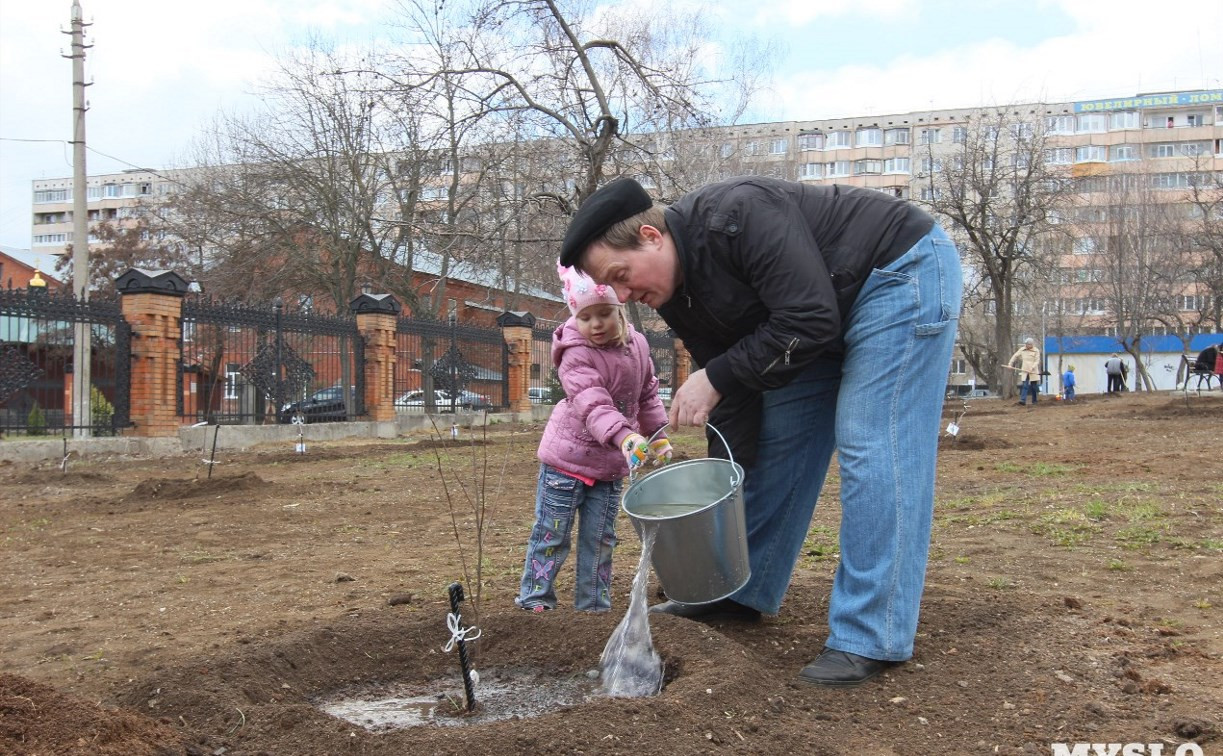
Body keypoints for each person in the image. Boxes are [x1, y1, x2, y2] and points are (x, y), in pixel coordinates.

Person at [560, 176, 961, 686]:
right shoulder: (674, 295)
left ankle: (870, 633)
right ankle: (738, 591)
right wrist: (717, 487)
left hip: (895, 275)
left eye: (620, 275)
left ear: (651, 236)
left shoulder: (737, 214)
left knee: (873, 444)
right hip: (813, 319)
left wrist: (716, 378)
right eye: (609, 289)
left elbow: (807, 319)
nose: (622, 295)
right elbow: (737, 398)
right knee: (779, 445)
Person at [514, 263, 672, 614]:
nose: (595, 324)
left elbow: (646, 395)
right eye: (585, 317)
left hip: (610, 468)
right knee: (552, 534)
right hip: (566, 464)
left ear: (621, 309)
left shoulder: (639, 346)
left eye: (604, 314)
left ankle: (593, 607)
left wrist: (656, 435)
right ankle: (536, 599)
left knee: (600, 539)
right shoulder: (574, 353)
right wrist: (625, 437)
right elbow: (592, 403)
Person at [1008, 338, 1042, 407]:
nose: (1026, 346)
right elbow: (1015, 356)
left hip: (1033, 371)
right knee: (1025, 386)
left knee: (1034, 387)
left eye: (1028, 344)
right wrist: (1010, 364)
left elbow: (1037, 361)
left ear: (1031, 344)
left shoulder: (1036, 351)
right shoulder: (1022, 349)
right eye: (1025, 344)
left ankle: (1034, 401)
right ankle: (1022, 400)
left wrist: (1032, 368)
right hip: (1025, 371)